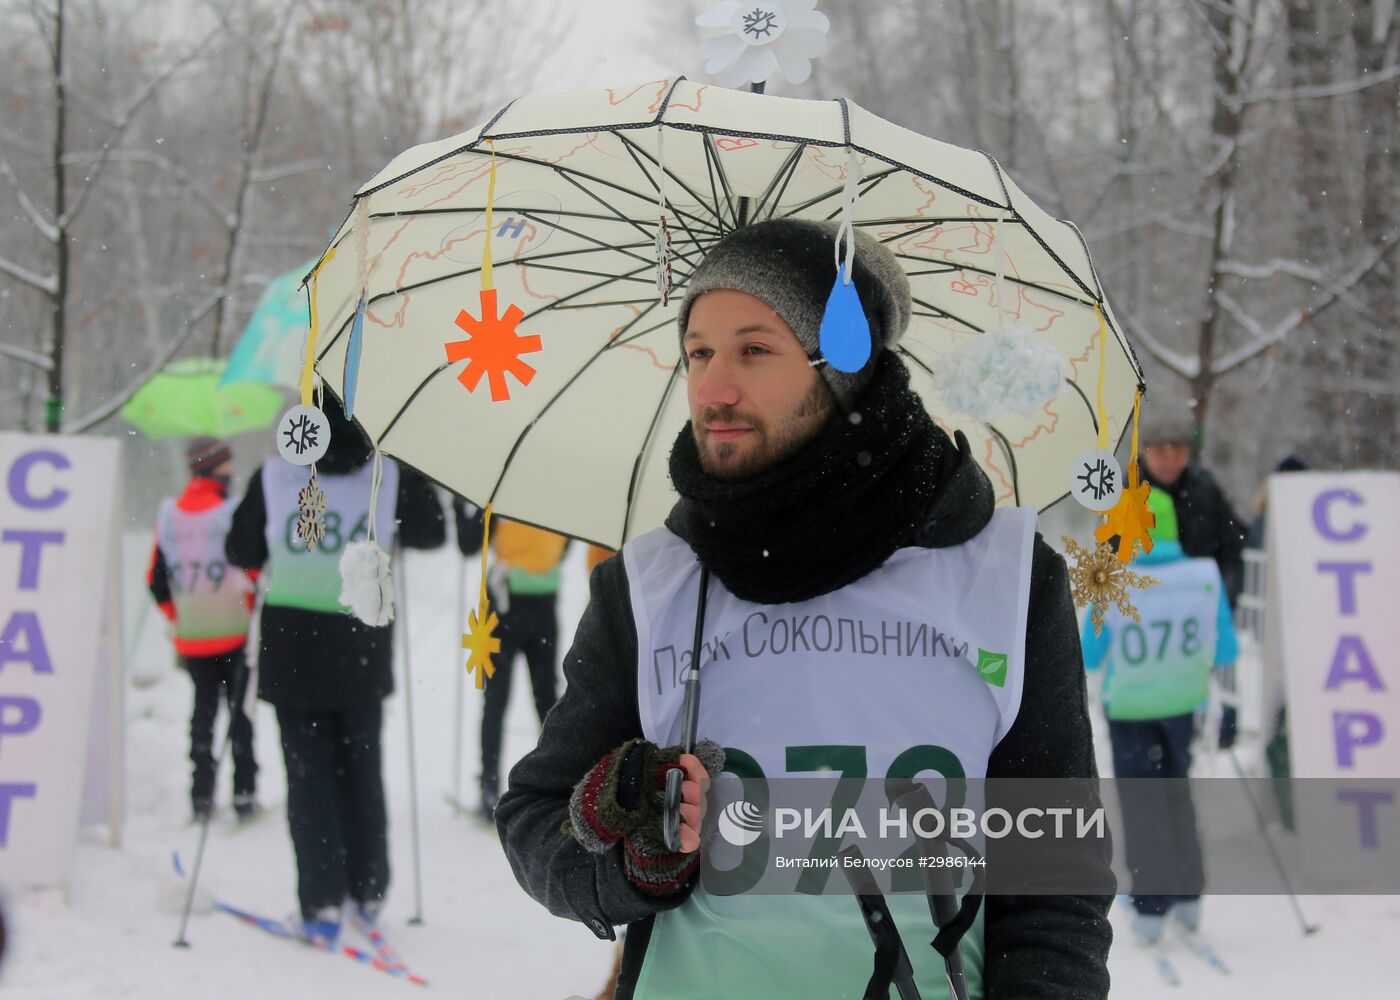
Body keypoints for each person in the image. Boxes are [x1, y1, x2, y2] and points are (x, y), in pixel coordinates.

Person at [497, 220, 1114, 998]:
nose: (714, 388)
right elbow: (535, 822)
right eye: (698, 352)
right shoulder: (650, 585)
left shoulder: (1004, 576)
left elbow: (1056, 877)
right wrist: (627, 859)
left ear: (845, 367)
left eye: (755, 349)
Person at [226, 394, 445, 944]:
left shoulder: (275, 475)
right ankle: (368, 890)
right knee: (362, 771)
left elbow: (240, 549)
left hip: (293, 645)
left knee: (309, 780)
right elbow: (434, 532)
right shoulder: (386, 475)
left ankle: (321, 902)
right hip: (360, 641)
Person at [1081, 488, 1238, 944]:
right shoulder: (1203, 574)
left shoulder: (1115, 580)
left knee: (1141, 802)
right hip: (1183, 703)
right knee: (1176, 792)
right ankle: (1189, 895)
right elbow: (1225, 647)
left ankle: (1152, 905)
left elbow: (1089, 653)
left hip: (1131, 707)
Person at [147, 436, 259, 823]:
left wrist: (179, 616)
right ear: (215, 468)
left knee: (203, 714)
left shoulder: (169, 515)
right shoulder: (231, 512)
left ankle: (201, 795)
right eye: (227, 465)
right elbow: (253, 569)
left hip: (193, 636)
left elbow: (156, 579)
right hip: (234, 630)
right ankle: (245, 793)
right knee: (240, 716)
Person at [454, 499, 567, 820]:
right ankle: (551, 783)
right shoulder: (554, 496)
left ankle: (492, 785)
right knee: (542, 699)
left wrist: (463, 508)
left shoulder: (503, 491)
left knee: (509, 699)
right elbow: (564, 547)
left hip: (510, 604)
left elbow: (467, 543)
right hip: (531, 603)